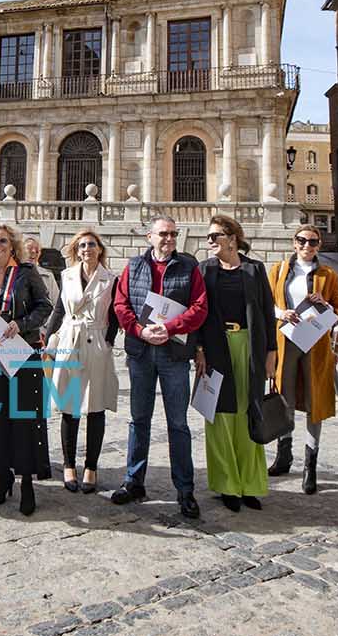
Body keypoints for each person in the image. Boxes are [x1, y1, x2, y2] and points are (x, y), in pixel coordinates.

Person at [111, 216, 207, 519]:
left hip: (173, 354)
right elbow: (120, 304)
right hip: (140, 352)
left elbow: (200, 307)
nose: (169, 239)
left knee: (178, 423)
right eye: (163, 234)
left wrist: (170, 327)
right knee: (138, 419)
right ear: (149, 237)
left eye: (173, 234)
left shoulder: (189, 267)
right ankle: (134, 481)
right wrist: (139, 331)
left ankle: (185, 490)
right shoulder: (134, 266)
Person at [197, 215, 276, 513]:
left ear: (232, 238)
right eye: (208, 237)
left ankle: (250, 483)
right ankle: (226, 484)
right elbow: (199, 313)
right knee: (218, 416)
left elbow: (267, 312)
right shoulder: (204, 270)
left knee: (249, 412)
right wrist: (199, 350)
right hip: (216, 348)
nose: (210, 241)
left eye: (215, 236)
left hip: (250, 347)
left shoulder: (254, 269)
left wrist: (271, 352)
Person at [0, 222, 53, 515]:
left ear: (12, 245)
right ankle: (2, 476)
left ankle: (27, 482)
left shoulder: (26, 273)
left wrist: (21, 324)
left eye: (3, 242)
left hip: (21, 354)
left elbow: (45, 307)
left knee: (23, 420)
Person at [40, 229, 119, 495]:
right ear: (77, 249)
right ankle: (69, 465)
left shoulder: (110, 279)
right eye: (83, 245)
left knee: (96, 408)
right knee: (69, 405)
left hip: (96, 342)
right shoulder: (67, 275)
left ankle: (91, 467)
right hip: (69, 342)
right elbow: (60, 309)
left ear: (100, 249)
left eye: (92, 245)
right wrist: (49, 339)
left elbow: (116, 313)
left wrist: (108, 341)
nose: (87, 249)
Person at [266, 224, 338, 495]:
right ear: (294, 243)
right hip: (285, 341)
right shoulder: (279, 271)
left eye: (312, 242)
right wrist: (281, 314)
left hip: (315, 343)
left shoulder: (328, 275)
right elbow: (268, 303)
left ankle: (311, 465)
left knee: (314, 401)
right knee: (284, 397)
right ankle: (283, 455)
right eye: (302, 241)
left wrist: (325, 303)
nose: (307, 246)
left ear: (319, 245)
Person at [24, 237, 60, 308]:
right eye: (29, 248)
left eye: (37, 250)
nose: (34, 251)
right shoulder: (11, 274)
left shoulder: (48, 276)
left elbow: (57, 304)